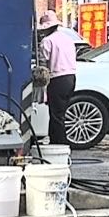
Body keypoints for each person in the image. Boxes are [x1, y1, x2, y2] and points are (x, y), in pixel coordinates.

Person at [37, 12, 79, 146]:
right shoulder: (68, 39)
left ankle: (60, 143)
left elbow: (43, 64)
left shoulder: (47, 41)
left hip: (57, 79)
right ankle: (55, 140)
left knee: (56, 114)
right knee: (60, 112)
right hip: (71, 78)